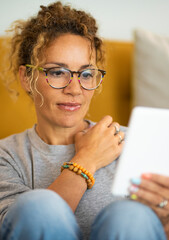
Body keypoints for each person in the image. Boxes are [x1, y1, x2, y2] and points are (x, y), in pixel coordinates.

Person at [0, 1, 168, 240]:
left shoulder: (134, 142)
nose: (75, 89)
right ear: (27, 78)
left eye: (86, 74)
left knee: (130, 216)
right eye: (57, 72)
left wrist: (165, 219)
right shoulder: (6, 157)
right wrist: (86, 160)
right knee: (38, 206)